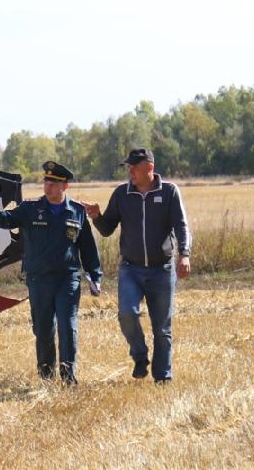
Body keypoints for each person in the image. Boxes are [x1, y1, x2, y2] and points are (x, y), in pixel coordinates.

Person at [0, 161, 102, 385]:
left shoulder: (77, 212)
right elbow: (7, 220)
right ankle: (45, 375)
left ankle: (67, 376)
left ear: (66, 187)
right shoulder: (30, 209)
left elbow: (88, 248)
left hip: (68, 278)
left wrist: (95, 276)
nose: (48, 186)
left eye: (54, 182)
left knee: (67, 326)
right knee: (43, 329)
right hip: (39, 279)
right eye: (46, 181)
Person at [83, 148, 191, 384]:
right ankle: (140, 356)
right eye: (128, 167)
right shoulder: (122, 194)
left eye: (134, 166)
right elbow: (107, 229)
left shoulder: (170, 192)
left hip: (161, 270)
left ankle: (163, 377)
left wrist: (184, 255)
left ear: (149, 167)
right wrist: (97, 217)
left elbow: (181, 226)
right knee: (126, 314)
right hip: (131, 269)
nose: (130, 171)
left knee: (162, 328)